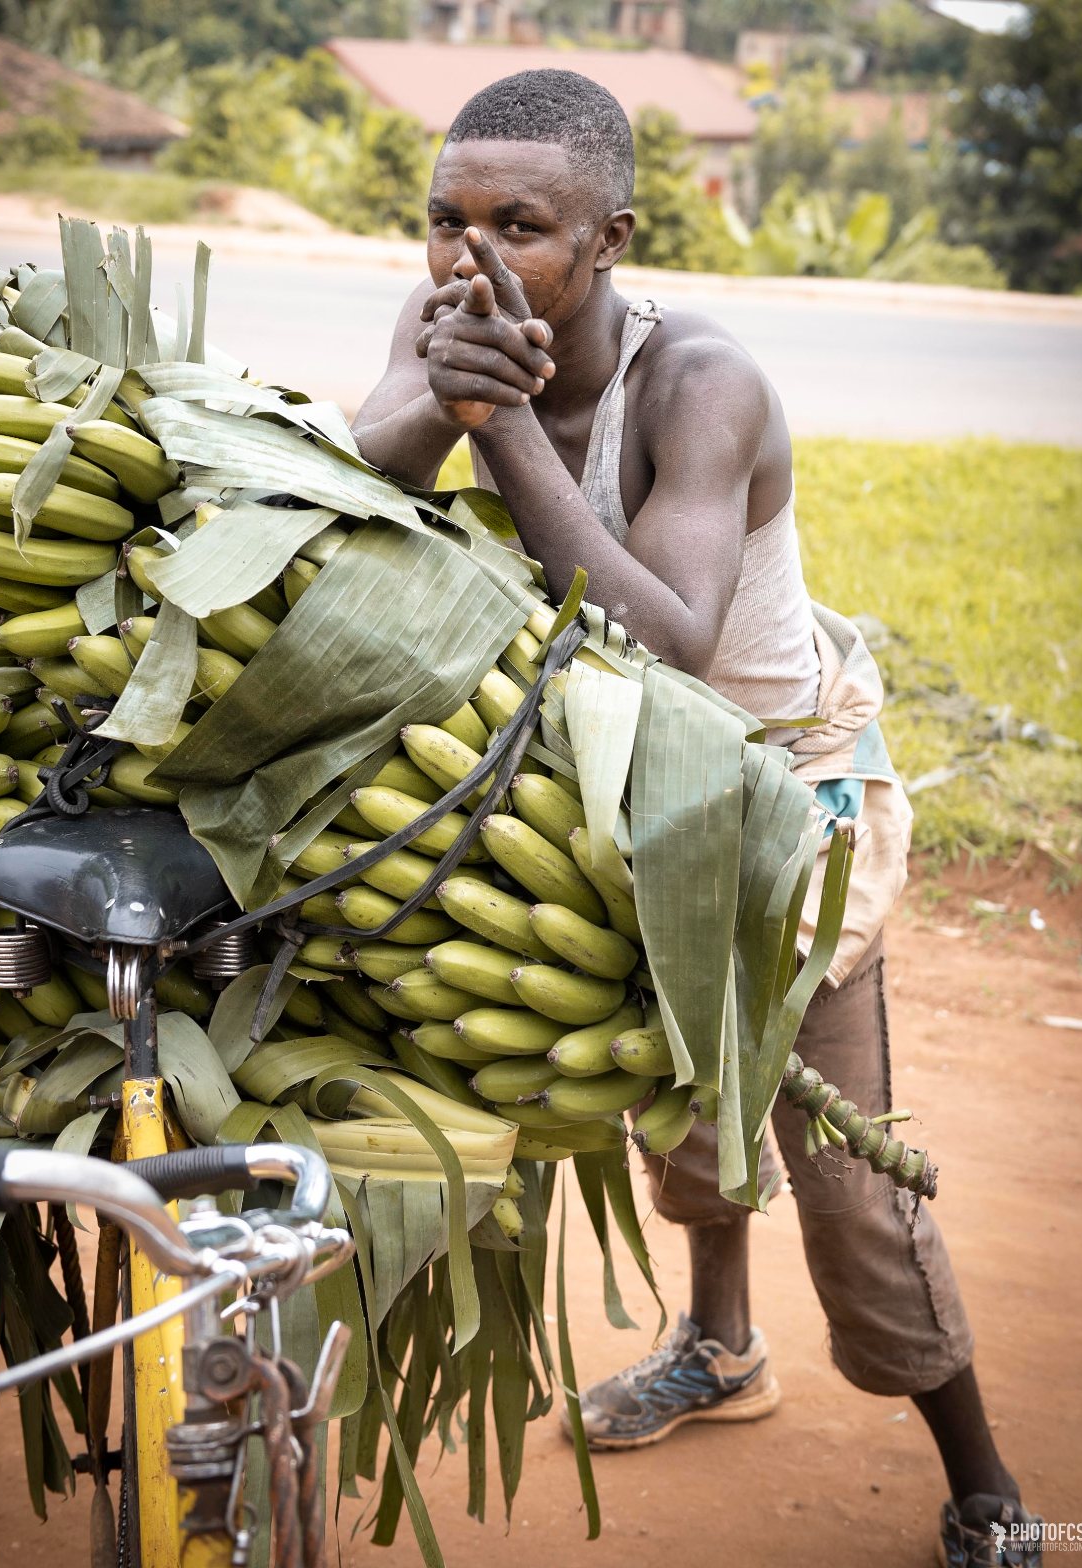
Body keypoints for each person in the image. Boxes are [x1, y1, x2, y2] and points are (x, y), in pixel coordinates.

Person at [352, 68, 1042, 1568]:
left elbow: (667, 640)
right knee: (681, 1121)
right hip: (612, 788)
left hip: (780, 795)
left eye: (520, 225)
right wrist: (442, 395)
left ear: (610, 239)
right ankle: (722, 1349)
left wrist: (502, 423)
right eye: (444, 222)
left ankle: (980, 1481)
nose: (472, 258)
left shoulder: (701, 385)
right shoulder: (447, 325)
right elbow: (351, 488)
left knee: (853, 1186)